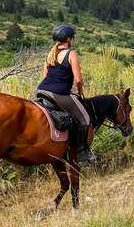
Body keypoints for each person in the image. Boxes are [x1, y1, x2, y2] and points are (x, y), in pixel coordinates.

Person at [36, 25, 96, 167]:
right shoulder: (71, 54)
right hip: (58, 94)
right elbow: (79, 80)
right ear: (68, 39)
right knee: (85, 118)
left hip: (42, 91)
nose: (73, 39)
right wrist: (80, 91)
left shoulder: (50, 55)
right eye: (72, 37)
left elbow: (45, 76)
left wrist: (66, 88)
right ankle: (82, 154)